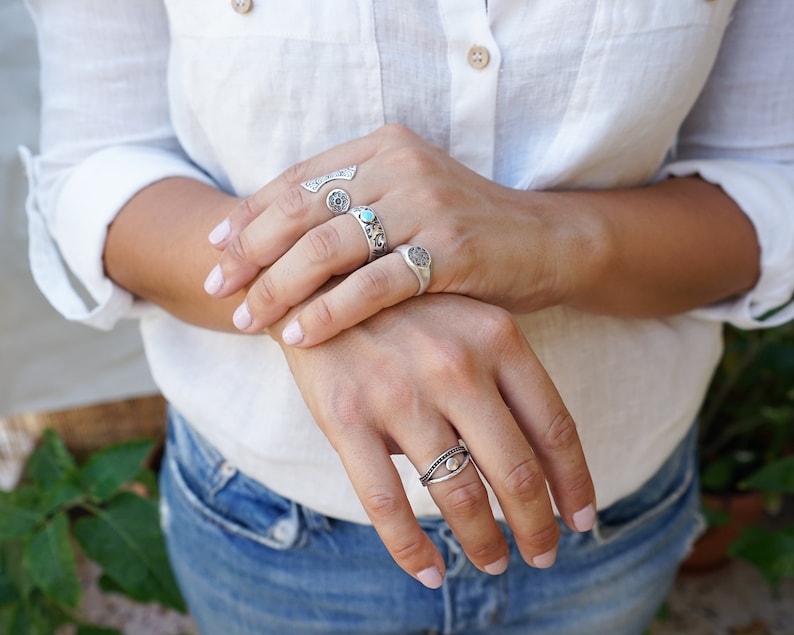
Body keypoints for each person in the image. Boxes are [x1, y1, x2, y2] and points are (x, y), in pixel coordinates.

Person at [23, 1, 794, 633]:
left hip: (607, 512)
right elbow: (99, 165)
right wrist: (329, 294)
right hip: (268, 513)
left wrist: (557, 240)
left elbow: (768, 181)